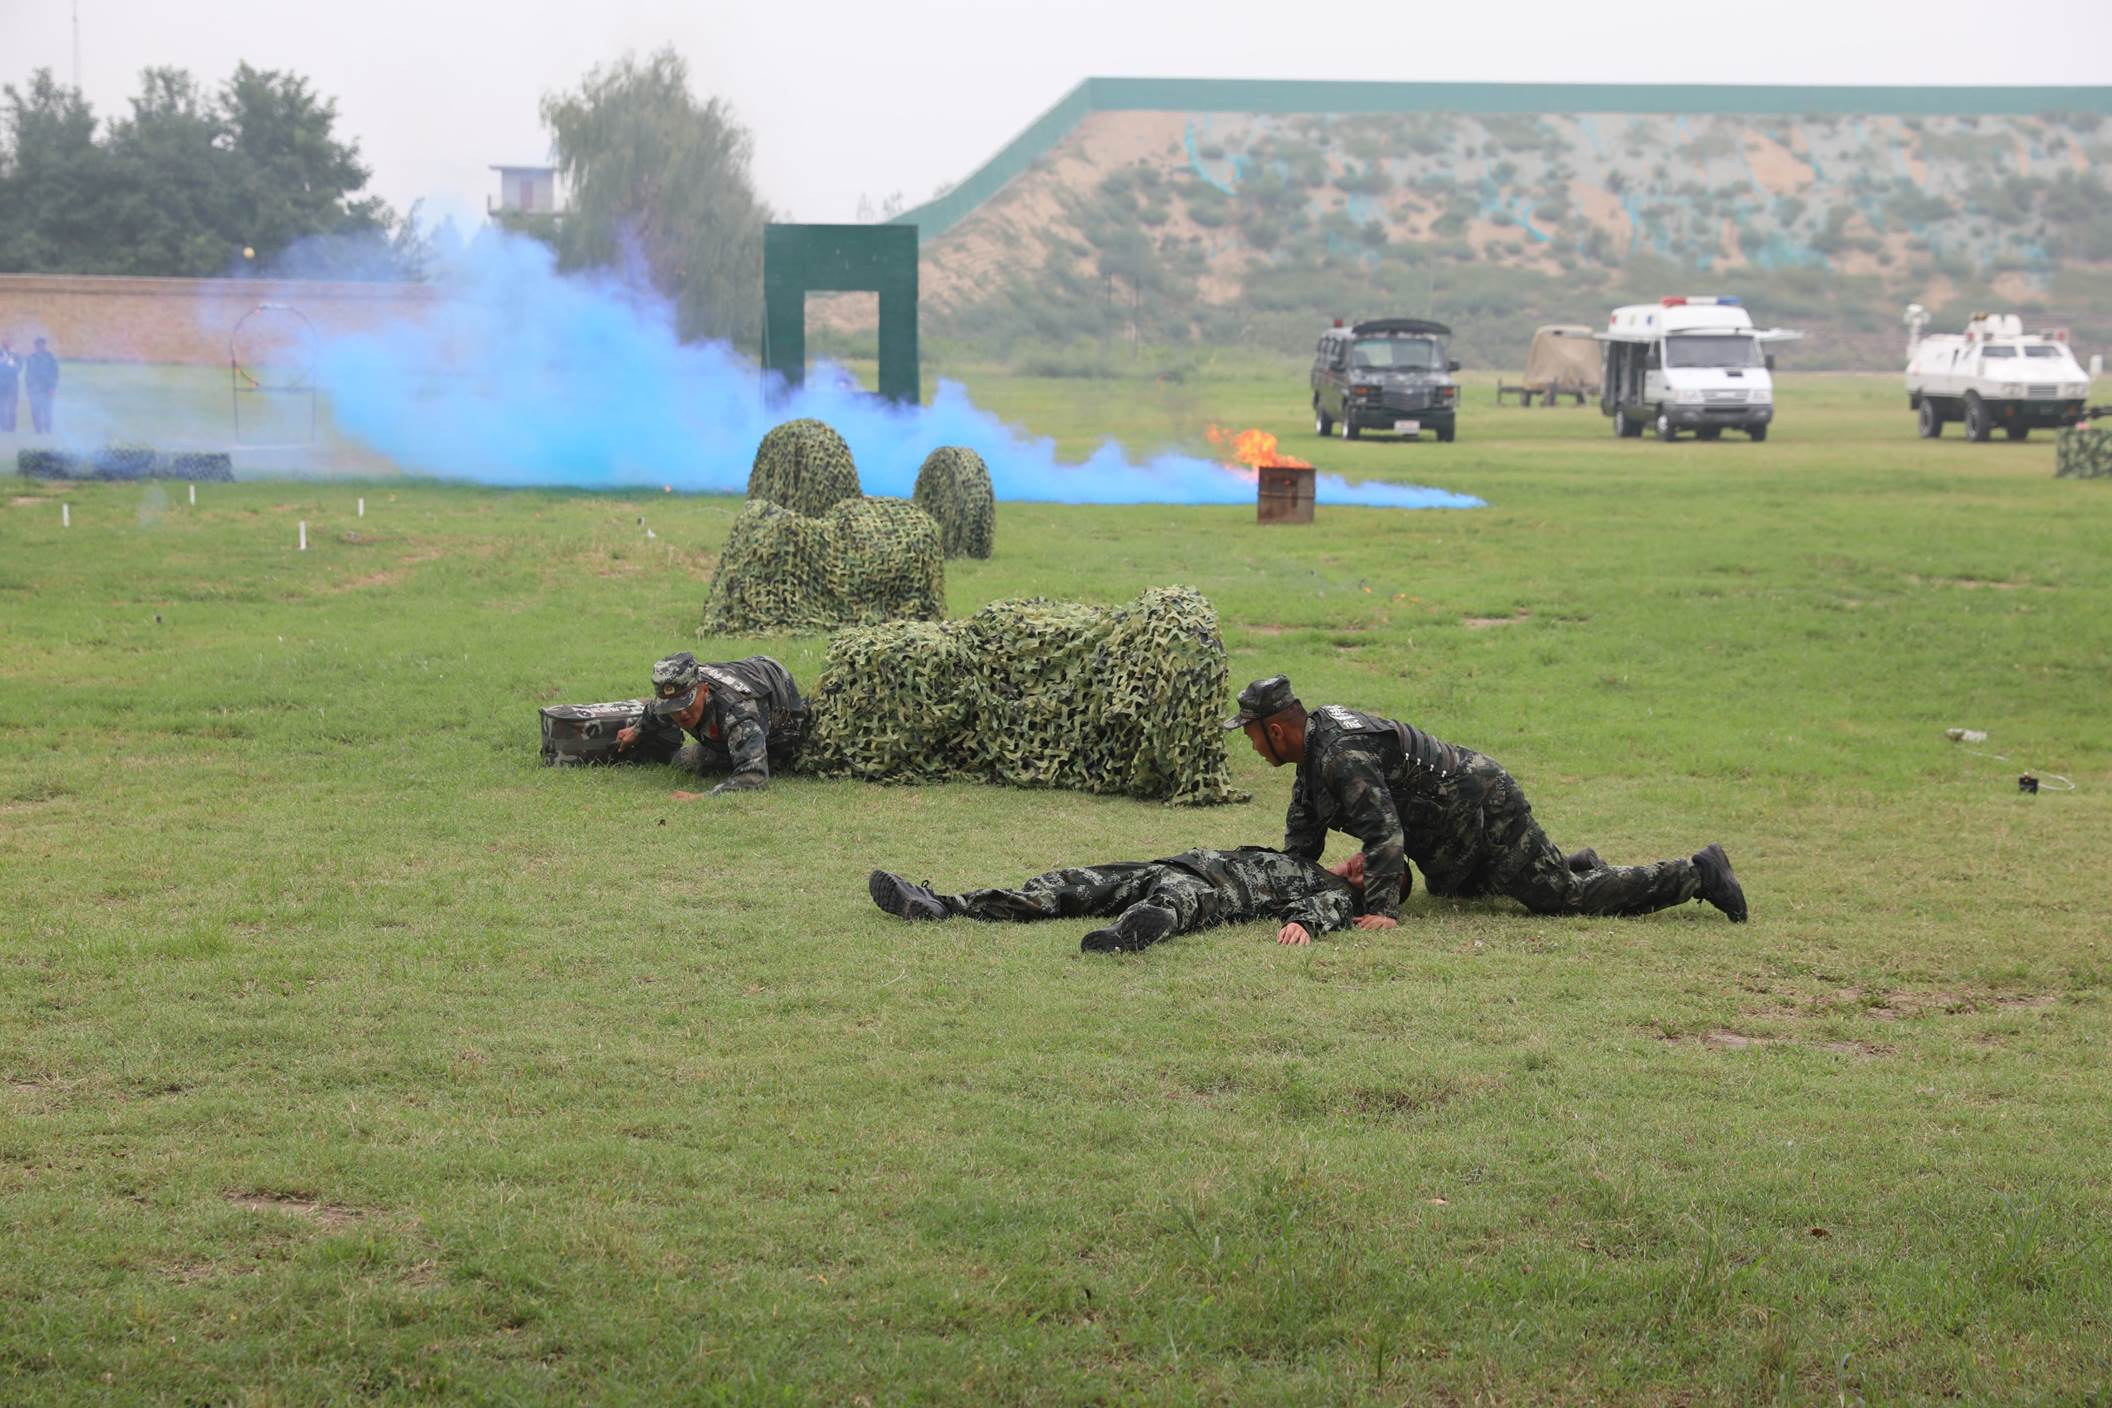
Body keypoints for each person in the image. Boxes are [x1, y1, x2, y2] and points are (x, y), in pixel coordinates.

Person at [1228, 674, 1748, 925]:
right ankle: (1577, 864)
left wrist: (1383, 911)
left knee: (1558, 897)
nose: (1251, 746)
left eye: (1251, 734)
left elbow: (1385, 834)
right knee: (1458, 891)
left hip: (1481, 800)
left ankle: (1698, 873)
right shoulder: (1310, 756)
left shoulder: (1341, 755)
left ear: (1277, 730)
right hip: (1450, 831)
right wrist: (1277, 892)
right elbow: (1300, 850)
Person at [868, 846, 1368, 953]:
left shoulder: (1335, 893)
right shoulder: (1311, 862)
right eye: (1363, 856)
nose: (1358, 862)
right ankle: (946, 905)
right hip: (1175, 864)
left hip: (1211, 890)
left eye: (1370, 868)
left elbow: (1326, 912)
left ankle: (1129, 935)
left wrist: (1303, 923)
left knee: (1174, 903)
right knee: (1068, 885)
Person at [615, 652, 805, 793]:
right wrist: (636, 731)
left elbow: (753, 778)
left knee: (702, 760)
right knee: (681, 761)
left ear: (704, 690)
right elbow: (655, 710)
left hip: (784, 716)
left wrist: (702, 797)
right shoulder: (681, 687)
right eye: (672, 707)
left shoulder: (738, 715)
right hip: (752, 670)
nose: (681, 713)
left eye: (686, 703)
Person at [25, 338, 58, 435]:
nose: (40, 347)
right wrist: (29, 388)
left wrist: (52, 388)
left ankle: (48, 430)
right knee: (35, 411)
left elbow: (55, 374)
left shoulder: (50, 357)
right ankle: (38, 430)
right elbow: (28, 374)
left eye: (42, 345)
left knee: (47, 411)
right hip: (34, 389)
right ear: (35, 346)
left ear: (44, 345)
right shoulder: (31, 358)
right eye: (38, 345)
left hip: (47, 389)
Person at [0, 342, 19, 432]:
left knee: (12, 407)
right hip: (1, 385)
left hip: (12, 384)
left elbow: (17, 368)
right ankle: (3, 426)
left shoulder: (14, 355)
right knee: (2, 407)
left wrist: (9, 362)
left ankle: (11, 427)